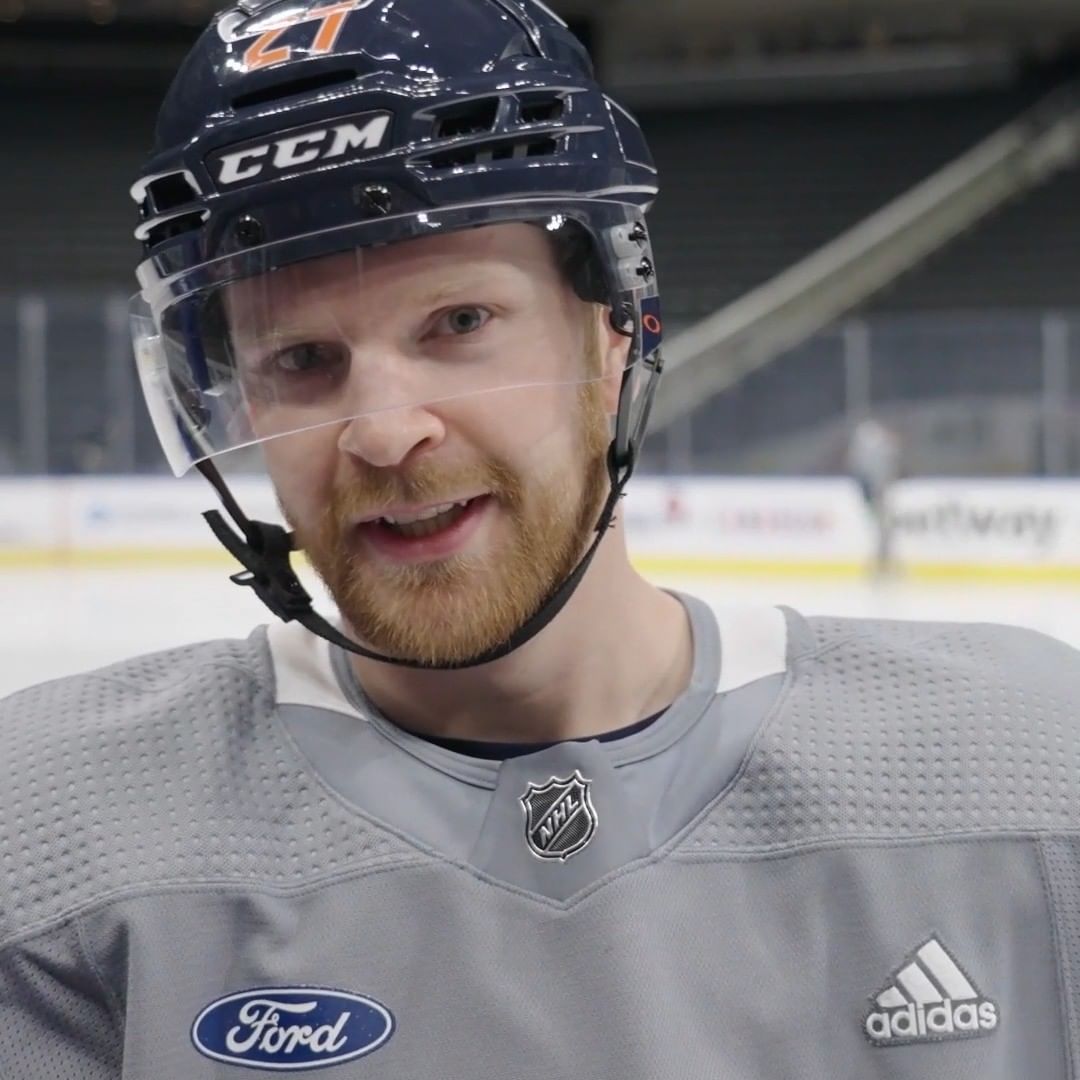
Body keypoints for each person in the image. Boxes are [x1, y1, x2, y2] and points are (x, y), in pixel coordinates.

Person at [3, 2, 1080, 1077]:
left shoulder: (1030, 778)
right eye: (301, 361)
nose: (384, 430)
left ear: (616, 336)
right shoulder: (55, 852)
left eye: (460, 324)